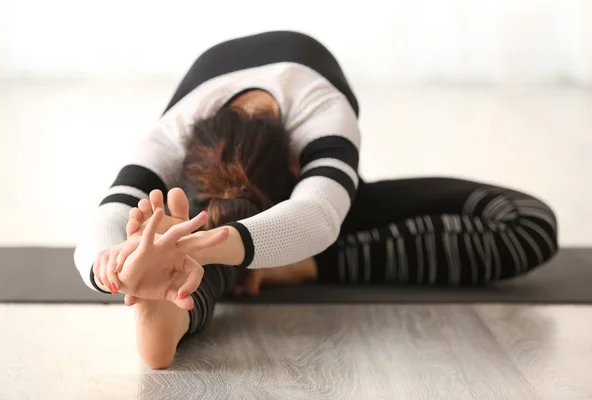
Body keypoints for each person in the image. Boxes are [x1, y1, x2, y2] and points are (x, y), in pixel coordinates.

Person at [74, 31, 559, 369]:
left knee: (200, 264)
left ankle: (219, 285)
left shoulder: (320, 119)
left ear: (296, 173)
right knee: (530, 223)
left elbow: (319, 215)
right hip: (212, 207)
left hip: (260, 210)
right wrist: (119, 265)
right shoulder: (173, 138)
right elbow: (105, 222)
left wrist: (175, 253)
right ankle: (177, 296)